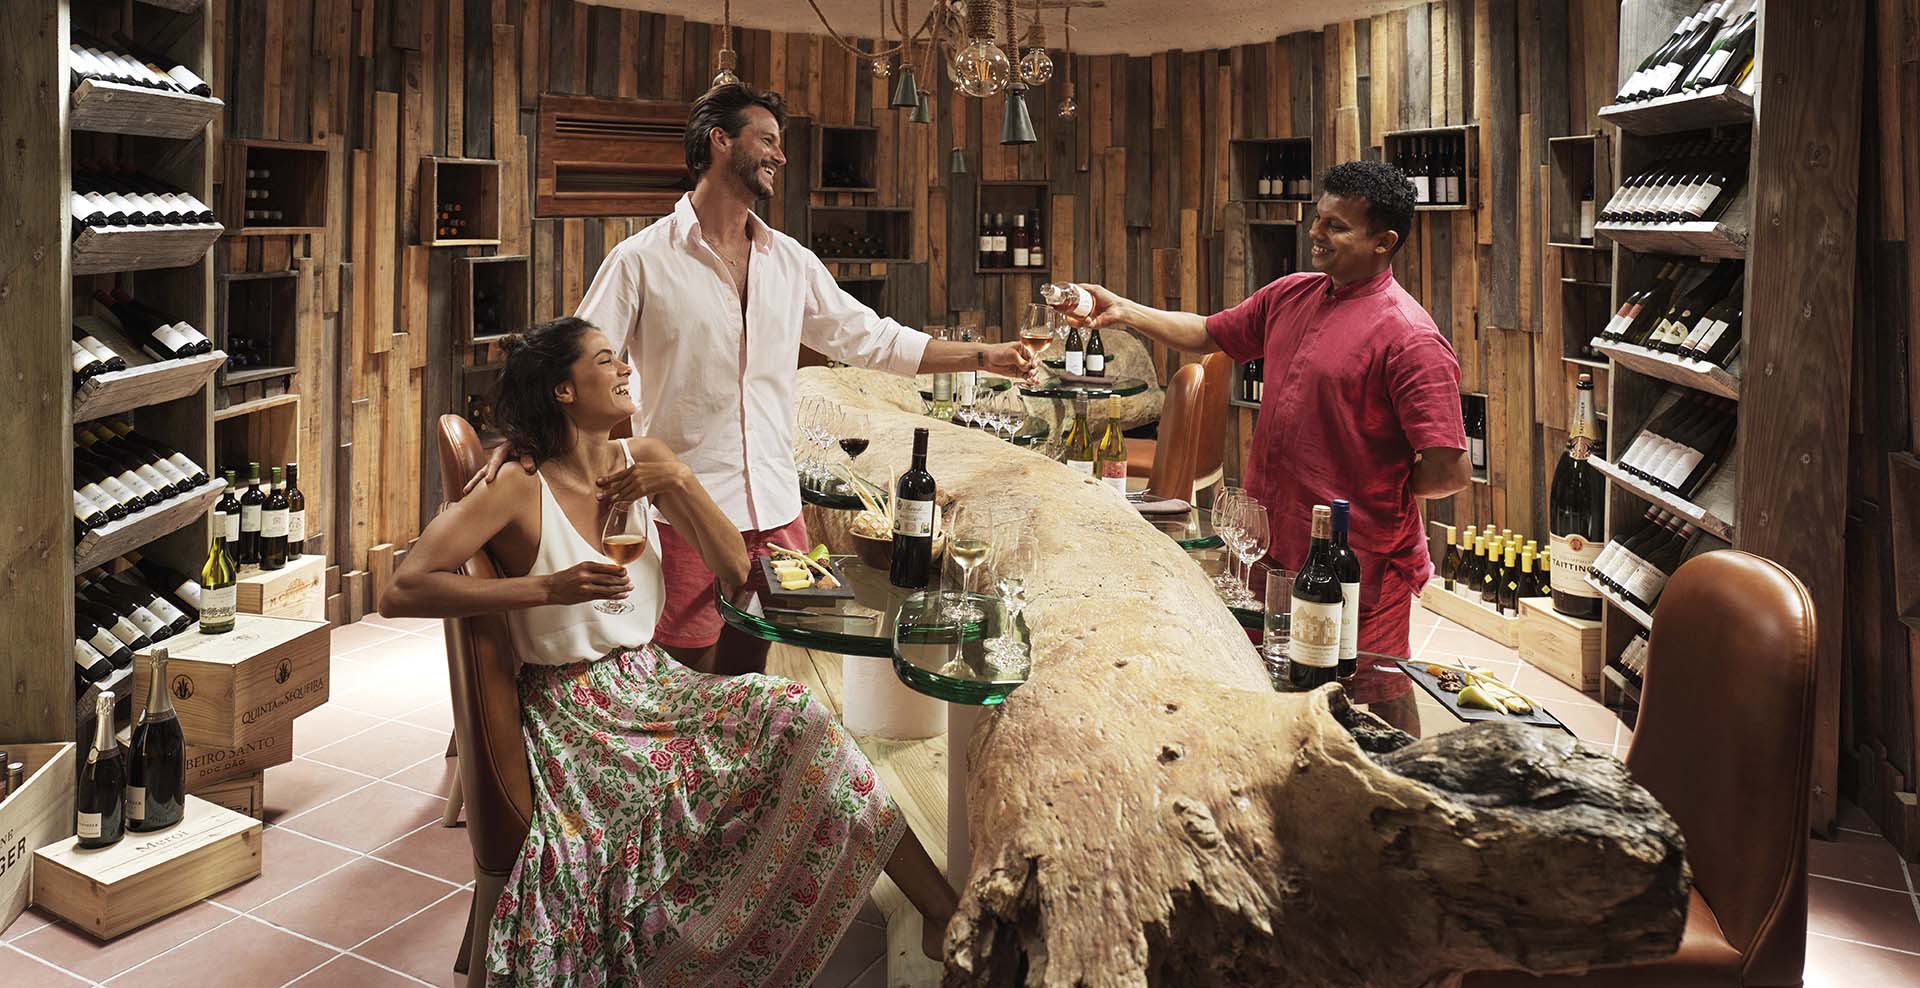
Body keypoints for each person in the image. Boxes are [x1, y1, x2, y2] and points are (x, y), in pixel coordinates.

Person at [386, 317, 958, 985]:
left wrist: (678, 481)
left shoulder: (643, 461)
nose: (624, 368)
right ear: (564, 390)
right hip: (577, 714)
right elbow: (401, 590)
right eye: (606, 360)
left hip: (653, 681)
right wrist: (546, 588)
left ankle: (937, 908)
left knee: (795, 712)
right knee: (761, 742)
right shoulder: (517, 485)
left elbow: (734, 567)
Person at [474, 83, 1037, 676]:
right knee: (683, 671)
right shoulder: (640, 259)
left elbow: (872, 338)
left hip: (775, 506)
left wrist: (984, 356)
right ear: (720, 141)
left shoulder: (790, 261)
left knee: (752, 667)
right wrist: (527, 437)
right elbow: (573, 360)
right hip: (684, 513)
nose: (780, 155)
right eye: (766, 140)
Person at [1063, 160, 1471, 735]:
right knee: (1278, 679)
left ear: (1384, 242)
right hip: (1272, 542)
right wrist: (1125, 311)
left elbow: (1449, 470)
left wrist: (1377, 492)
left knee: (1374, 688)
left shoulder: (1411, 337)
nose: (1316, 233)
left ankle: (1404, 780)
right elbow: (1206, 332)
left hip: (1358, 558)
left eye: (1336, 227)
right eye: (1318, 219)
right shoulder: (1290, 294)